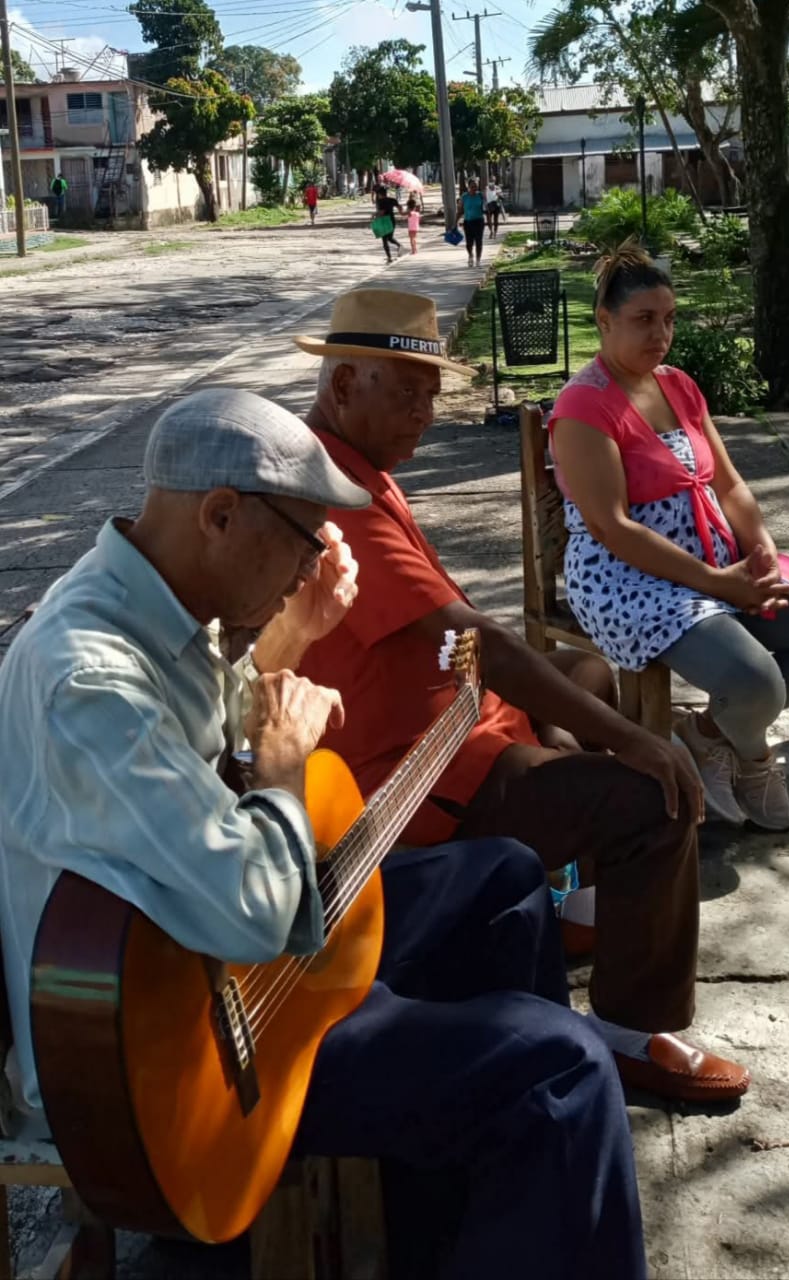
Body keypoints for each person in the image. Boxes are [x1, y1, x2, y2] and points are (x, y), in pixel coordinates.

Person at [0, 387, 647, 1280]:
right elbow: (259, 916)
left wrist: (288, 643)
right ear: (220, 516)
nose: (312, 564)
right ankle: (510, 1168)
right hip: (173, 1067)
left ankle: (462, 1222)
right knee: (560, 1071)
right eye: (303, 537)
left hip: (220, 962)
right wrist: (281, 771)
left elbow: (195, 767)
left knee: (501, 878)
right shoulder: (90, 678)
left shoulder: (148, 606)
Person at [275, 287, 750, 1106]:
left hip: (456, 719)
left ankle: (585, 913)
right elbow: (480, 641)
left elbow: (458, 641)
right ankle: (634, 1034)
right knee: (656, 794)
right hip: (415, 777)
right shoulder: (333, 495)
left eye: (433, 392)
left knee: (590, 679)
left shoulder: (355, 465)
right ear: (344, 385)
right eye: (408, 392)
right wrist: (632, 742)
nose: (426, 412)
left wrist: (570, 717)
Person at [548, 244, 789, 831]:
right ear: (604, 321)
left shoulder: (679, 386)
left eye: (669, 319)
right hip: (627, 578)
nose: (660, 333)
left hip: (718, 560)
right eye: (643, 320)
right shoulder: (583, 405)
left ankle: (707, 733)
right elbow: (613, 526)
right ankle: (757, 758)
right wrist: (721, 584)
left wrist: (759, 547)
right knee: (755, 682)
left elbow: (731, 484)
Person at [458, 177, 486, 267]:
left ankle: (478, 260)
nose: (474, 188)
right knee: (469, 242)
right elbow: (460, 210)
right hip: (468, 222)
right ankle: (470, 255)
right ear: (468, 187)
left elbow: (486, 208)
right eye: (472, 186)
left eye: (476, 186)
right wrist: (455, 221)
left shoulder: (480, 196)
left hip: (479, 221)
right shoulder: (464, 197)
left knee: (479, 241)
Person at [374, 185, 402, 263]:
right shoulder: (392, 200)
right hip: (392, 220)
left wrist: (375, 215)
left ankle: (389, 257)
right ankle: (399, 245)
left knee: (384, 240)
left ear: (380, 194)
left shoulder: (380, 202)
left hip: (384, 221)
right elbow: (400, 208)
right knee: (390, 238)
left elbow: (382, 212)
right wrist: (401, 212)